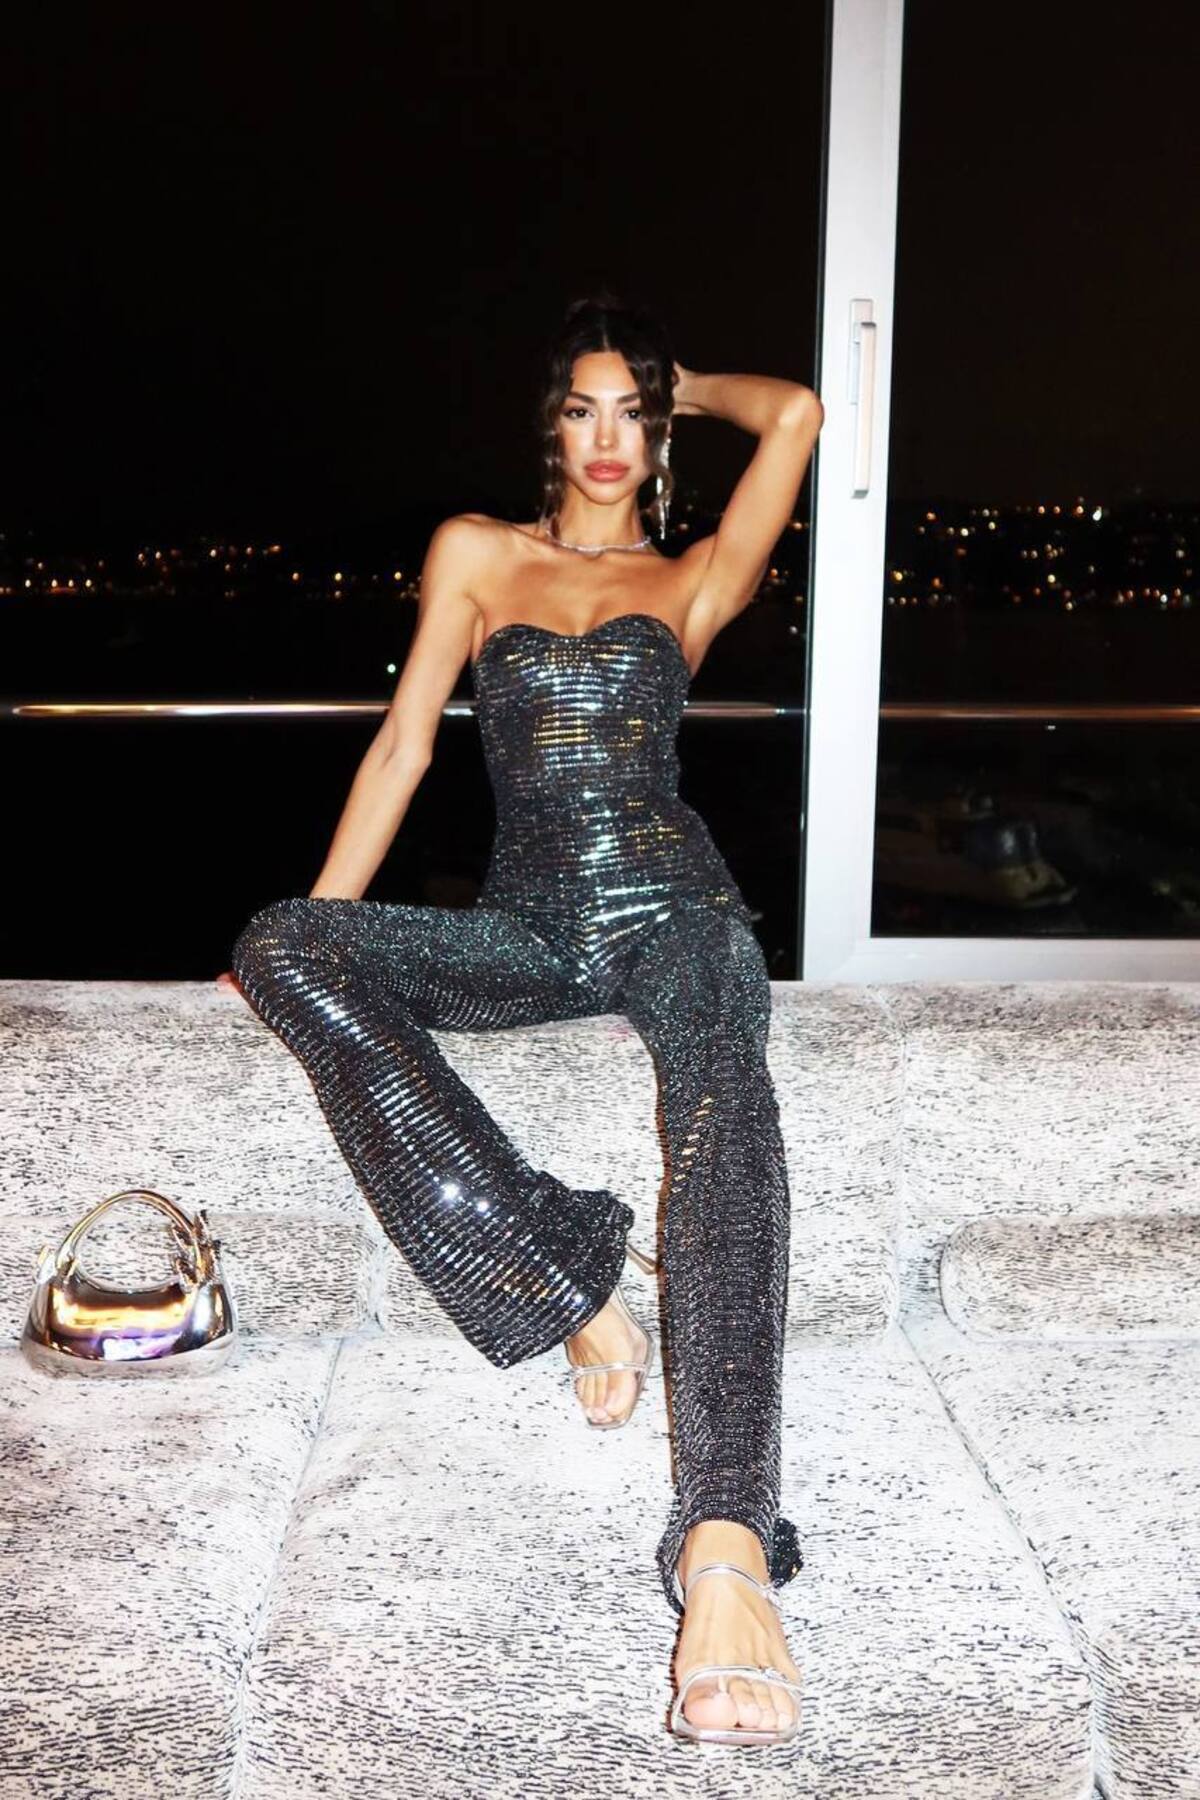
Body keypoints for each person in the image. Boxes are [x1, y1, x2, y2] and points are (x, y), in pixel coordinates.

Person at [219, 292, 824, 1745]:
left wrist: (687, 380)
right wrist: (320, 934)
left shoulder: (695, 577)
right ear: (549, 426)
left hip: (678, 911)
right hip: (531, 926)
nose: (610, 438)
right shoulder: (478, 554)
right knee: (280, 942)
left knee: (726, 1102)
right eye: (584, 407)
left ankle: (726, 1544)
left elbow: (798, 413)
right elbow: (403, 749)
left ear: (660, 431)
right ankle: (571, 1282)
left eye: (636, 413)